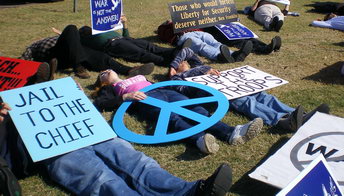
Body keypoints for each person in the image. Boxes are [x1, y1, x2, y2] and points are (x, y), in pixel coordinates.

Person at [0, 102, 233, 196]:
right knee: (100, 178)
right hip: (45, 145)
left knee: (134, 160)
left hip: (78, 127)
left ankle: (188, 192)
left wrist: (77, 102)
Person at [93, 69, 263, 154]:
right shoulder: (111, 89)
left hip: (165, 91)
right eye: (102, 74)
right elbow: (101, 103)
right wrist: (125, 96)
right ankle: (200, 140)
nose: (106, 71)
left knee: (195, 108)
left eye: (107, 69)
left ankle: (231, 133)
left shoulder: (134, 75)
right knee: (171, 117)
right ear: (103, 83)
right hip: (144, 99)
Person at [167, 47, 330, 132]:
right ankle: (281, 121)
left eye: (185, 61)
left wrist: (175, 64)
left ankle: (299, 114)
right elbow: (186, 89)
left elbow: (186, 51)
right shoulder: (177, 79)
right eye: (182, 63)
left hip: (230, 83)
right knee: (246, 102)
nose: (185, 62)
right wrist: (178, 71)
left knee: (263, 96)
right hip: (216, 92)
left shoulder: (197, 64)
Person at [21, 25, 154, 79]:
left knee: (99, 56)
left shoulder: (77, 41)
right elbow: (24, 57)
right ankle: (77, 66)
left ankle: (129, 70)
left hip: (74, 55)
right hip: (54, 54)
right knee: (72, 28)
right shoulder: (39, 43)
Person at [80, 15, 182, 66]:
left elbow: (126, 36)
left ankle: (174, 52)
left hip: (124, 39)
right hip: (113, 44)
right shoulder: (88, 40)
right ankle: (167, 61)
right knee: (140, 53)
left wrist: (125, 24)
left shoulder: (105, 30)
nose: (88, 29)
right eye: (85, 30)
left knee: (149, 46)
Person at [156, 21, 254, 63]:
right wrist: (171, 26)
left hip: (198, 32)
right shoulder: (164, 28)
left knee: (213, 42)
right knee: (200, 45)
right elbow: (163, 33)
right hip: (183, 36)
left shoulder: (185, 20)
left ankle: (235, 54)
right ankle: (219, 56)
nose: (169, 19)